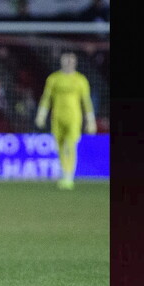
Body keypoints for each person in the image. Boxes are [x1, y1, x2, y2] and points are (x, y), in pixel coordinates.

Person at [35, 52, 97, 189]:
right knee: (61, 147)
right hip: (57, 118)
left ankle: (69, 176)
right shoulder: (54, 79)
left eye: (71, 61)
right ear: (61, 62)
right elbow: (46, 98)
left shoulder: (81, 80)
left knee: (70, 145)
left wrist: (91, 120)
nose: (68, 63)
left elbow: (86, 101)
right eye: (66, 60)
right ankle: (65, 174)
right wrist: (41, 115)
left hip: (74, 118)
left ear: (75, 63)